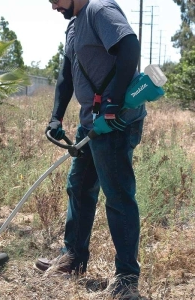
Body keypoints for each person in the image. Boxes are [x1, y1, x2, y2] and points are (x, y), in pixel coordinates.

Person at [35, 0, 147, 299]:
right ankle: (73, 258)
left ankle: (126, 278)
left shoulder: (99, 10)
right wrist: (56, 116)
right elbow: (66, 75)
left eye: (55, 0)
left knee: (118, 195)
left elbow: (130, 46)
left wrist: (112, 101)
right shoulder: (73, 26)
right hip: (91, 122)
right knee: (79, 187)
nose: (54, 6)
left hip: (115, 121)